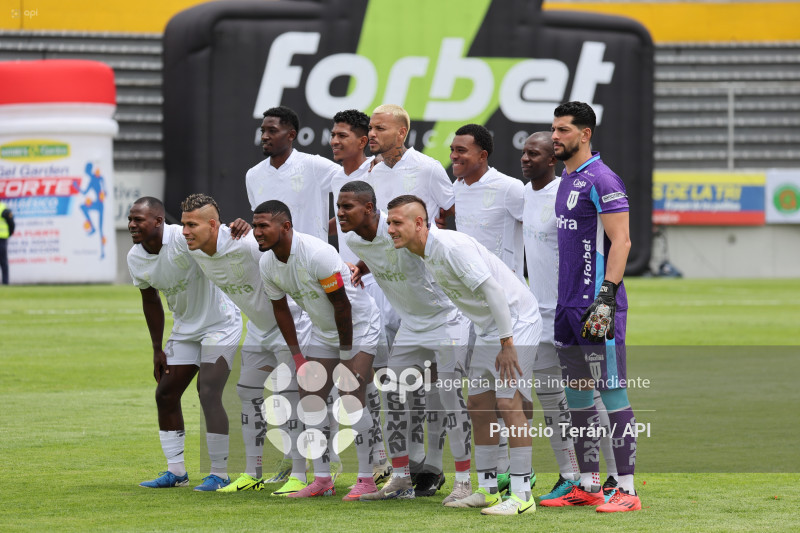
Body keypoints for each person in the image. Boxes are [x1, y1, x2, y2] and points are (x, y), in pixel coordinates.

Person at [388, 194, 541, 516]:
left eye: (396, 222)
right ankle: (486, 490)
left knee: (508, 402)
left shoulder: (449, 247)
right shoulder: (425, 251)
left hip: (516, 323)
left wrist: (508, 343)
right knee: (478, 404)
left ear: (419, 223)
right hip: (490, 329)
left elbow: (493, 291)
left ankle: (522, 496)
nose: (390, 229)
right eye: (389, 222)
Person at [337, 181, 473, 503]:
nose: (340, 214)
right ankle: (400, 479)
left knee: (449, 397)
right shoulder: (355, 239)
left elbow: (429, 245)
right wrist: (362, 266)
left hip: (447, 320)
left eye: (347, 208)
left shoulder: (401, 227)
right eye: (338, 207)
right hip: (412, 326)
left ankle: (465, 483)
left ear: (369, 209)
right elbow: (382, 254)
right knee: (394, 397)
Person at [538, 102, 640, 513]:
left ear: (586, 134)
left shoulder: (602, 178)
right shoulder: (567, 178)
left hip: (597, 306)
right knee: (576, 396)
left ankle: (628, 491)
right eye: (554, 129)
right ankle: (588, 483)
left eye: (563, 130)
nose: (555, 137)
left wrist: (606, 296)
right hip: (567, 307)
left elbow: (623, 241)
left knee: (612, 393)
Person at [180, 193, 314, 496]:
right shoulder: (196, 249)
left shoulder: (247, 243)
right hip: (258, 329)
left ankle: (300, 474)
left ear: (214, 225)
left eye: (192, 224)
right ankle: (253, 473)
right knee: (247, 393)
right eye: (183, 224)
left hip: (291, 324)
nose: (185, 231)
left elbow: (290, 248)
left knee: (291, 398)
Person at [254, 199, 381, 501]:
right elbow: (281, 310)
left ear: (285, 227)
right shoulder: (267, 263)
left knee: (352, 400)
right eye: (255, 225)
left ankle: (367, 479)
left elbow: (342, 305)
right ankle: (323, 479)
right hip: (324, 332)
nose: (257, 232)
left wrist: (347, 357)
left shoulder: (318, 254)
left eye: (263, 226)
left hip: (358, 326)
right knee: (309, 400)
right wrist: (298, 357)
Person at [522, 132, 620, 502]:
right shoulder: (523, 194)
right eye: (524, 152)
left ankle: (612, 479)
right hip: (539, 313)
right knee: (553, 403)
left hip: (576, 309)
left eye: (535, 153)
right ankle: (572, 476)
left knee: (592, 398)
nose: (526, 158)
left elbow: (608, 241)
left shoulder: (569, 193)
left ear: (553, 159)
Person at [364, 104, 457, 489]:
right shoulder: (368, 171)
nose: (371, 134)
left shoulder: (428, 168)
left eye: (379, 128)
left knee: (434, 386)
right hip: (386, 289)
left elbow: (451, 212)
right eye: (369, 127)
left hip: (428, 293)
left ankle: (431, 468)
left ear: (401, 133)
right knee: (398, 387)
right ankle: (407, 465)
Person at [126, 197, 242, 491]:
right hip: (185, 329)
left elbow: (218, 235)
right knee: (165, 394)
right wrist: (157, 348)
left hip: (221, 323)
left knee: (208, 391)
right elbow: (150, 300)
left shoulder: (182, 237)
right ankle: (176, 471)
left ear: (158, 221)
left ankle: (219, 473)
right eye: (130, 219)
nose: (132, 225)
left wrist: (241, 227)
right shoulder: (135, 257)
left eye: (139, 220)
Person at [450, 123, 530, 495]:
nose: (454, 157)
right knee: (481, 397)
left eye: (462, 151)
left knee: (512, 396)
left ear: (483, 155)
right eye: (452, 150)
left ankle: (521, 477)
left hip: (509, 306)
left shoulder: (510, 188)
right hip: (473, 310)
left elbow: (538, 230)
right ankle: (495, 474)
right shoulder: (455, 190)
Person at [328, 110, 392, 484]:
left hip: (392, 293)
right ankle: (379, 458)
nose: (335, 141)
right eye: (333, 135)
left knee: (398, 386)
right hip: (354, 296)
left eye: (342, 135)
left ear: (363, 141)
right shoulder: (330, 175)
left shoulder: (380, 171)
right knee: (357, 385)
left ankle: (413, 464)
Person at [245, 105, 339, 242]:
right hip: (272, 262)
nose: (264, 137)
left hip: (312, 261)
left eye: (272, 131)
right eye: (263, 131)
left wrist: (324, 230)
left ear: (291, 135)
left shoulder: (313, 165)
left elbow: (356, 181)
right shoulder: (253, 175)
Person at [0, 200, 14, 284]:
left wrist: (9, 233)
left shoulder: (3, 208)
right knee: (3, 261)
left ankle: (5, 282)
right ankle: (5, 282)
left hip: (2, 238)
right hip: (2, 238)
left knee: (3, 261)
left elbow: (11, 223)